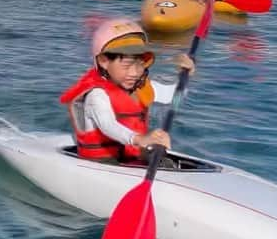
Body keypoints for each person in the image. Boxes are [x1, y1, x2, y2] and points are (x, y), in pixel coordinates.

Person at [60, 19, 195, 163]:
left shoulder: (141, 88)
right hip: (102, 161)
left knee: (165, 162)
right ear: (104, 61)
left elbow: (175, 99)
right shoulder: (96, 95)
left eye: (139, 65)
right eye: (126, 66)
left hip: (132, 155)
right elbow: (108, 126)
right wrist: (140, 139)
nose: (134, 73)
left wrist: (185, 77)